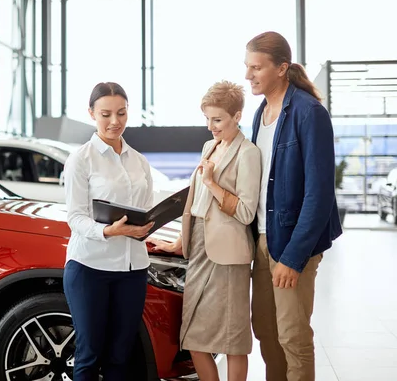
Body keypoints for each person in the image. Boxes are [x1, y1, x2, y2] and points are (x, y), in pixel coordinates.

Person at [245, 31, 343, 381]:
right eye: (247, 67)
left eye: (256, 67)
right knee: (265, 331)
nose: (248, 75)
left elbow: (319, 195)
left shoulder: (308, 112)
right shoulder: (261, 113)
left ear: (282, 68)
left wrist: (293, 257)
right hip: (261, 238)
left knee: (292, 335)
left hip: (290, 243)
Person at [147, 81, 261, 381]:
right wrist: (181, 241)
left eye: (218, 119)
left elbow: (247, 211)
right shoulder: (209, 147)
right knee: (194, 337)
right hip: (198, 248)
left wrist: (212, 182)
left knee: (233, 341)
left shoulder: (248, 153)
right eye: (207, 119)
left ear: (237, 116)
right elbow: (195, 203)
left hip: (227, 256)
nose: (211, 126)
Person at [62, 82, 155, 381]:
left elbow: (146, 209)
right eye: (106, 114)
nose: (115, 121)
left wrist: (148, 226)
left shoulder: (139, 161)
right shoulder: (81, 158)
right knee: (89, 353)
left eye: (121, 113)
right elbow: (75, 218)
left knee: (121, 355)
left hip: (133, 268)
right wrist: (108, 231)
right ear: (91, 113)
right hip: (90, 267)